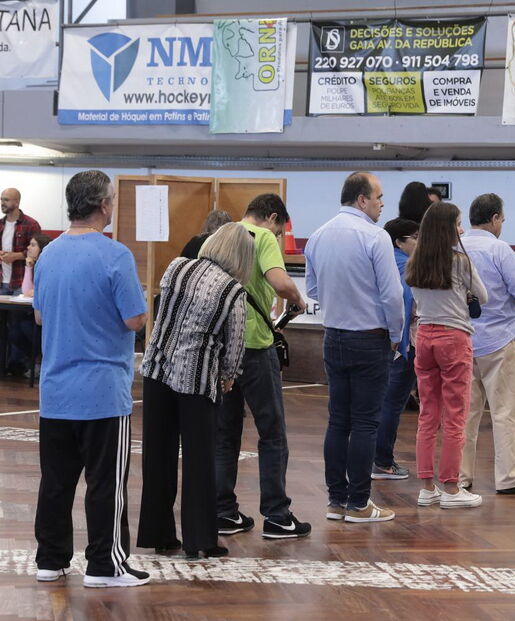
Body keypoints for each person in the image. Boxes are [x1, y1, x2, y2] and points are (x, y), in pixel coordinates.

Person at [33, 170, 150, 587]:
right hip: (102, 393)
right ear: (104, 205)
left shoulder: (47, 254)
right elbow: (134, 319)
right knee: (106, 485)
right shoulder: (115, 255)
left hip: (56, 392)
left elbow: (40, 315)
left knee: (56, 482)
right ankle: (105, 565)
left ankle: (50, 559)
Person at [137, 223, 253, 560]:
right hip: (197, 379)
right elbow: (235, 342)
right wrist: (229, 376)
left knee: (158, 456)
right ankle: (199, 540)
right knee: (199, 461)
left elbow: (163, 314)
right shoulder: (233, 291)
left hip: (156, 370)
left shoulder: (177, 266)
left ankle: (158, 533)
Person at [306, 171, 404, 523]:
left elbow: (313, 291)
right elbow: (392, 295)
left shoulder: (317, 236)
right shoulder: (375, 237)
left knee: (338, 421)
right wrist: (396, 334)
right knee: (365, 423)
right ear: (362, 199)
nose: (381, 204)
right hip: (370, 337)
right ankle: (360, 503)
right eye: (378, 197)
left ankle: (336, 501)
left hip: (333, 336)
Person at [215, 193, 310, 540]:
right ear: (272, 218)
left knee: (225, 435)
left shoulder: (222, 235)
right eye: (281, 230)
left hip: (222, 347)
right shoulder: (263, 237)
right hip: (254, 345)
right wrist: (297, 299)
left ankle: (222, 511)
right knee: (272, 433)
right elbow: (279, 281)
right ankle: (277, 515)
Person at [459, 193, 515, 495]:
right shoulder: (500, 249)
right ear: (494, 219)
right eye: (502, 220)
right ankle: (508, 478)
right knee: (506, 412)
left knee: (463, 414)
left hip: (461, 339)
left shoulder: (455, 247)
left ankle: (459, 477)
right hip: (498, 341)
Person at [407, 201, 488, 509]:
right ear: (447, 229)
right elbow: (484, 295)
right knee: (456, 415)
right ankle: (452, 488)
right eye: (457, 224)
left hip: (424, 337)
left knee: (428, 414)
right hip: (454, 338)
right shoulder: (460, 262)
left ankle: (427, 487)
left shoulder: (414, 262)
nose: (462, 229)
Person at [371, 217, 419, 481]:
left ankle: (373, 459)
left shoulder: (380, 261)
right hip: (399, 345)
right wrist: (399, 340)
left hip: (377, 341)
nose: (419, 243)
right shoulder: (404, 267)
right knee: (392, 404)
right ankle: (382, 461)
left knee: (377, 403)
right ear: (399, 242)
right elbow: (404, 303)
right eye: (415, 238)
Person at [7, 233, 51, 377]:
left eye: (33, 245)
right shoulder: (34, 265)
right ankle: (35, 360)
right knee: (14, 330)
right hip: (33, 311)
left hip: (49, 315)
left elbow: (42, 291)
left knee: (26, 327)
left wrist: (36, 291)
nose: (28, 247)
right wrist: (27, 267)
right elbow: (27, 291)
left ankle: (41, 360)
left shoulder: (49, 265)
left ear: (42, 248)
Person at [0, 187, 42, 295]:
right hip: (1, 282)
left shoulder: (31, 225)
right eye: (1, 199)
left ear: (17, 202)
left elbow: (38, 251)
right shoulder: (0, 224)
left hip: (21, 282)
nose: (2, 203)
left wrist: (15, 256)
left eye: (6, 200)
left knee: (18, 312)